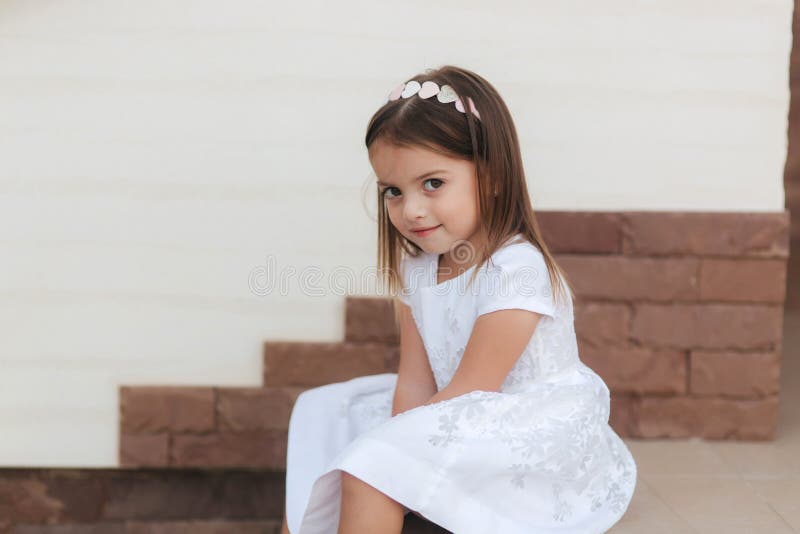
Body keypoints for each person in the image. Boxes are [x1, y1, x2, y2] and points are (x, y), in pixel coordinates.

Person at [281, 65, 637, 534]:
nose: (410, 210)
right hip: (452, 409)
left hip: (516, 423)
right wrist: (400, 447)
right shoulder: (418, 270)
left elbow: (474, 390)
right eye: (393, 191)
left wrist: (397, 460)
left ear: (489, 176)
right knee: (327, 415)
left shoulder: (516, 271)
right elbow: (413, 382)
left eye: (433, 184)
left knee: (371, 467)